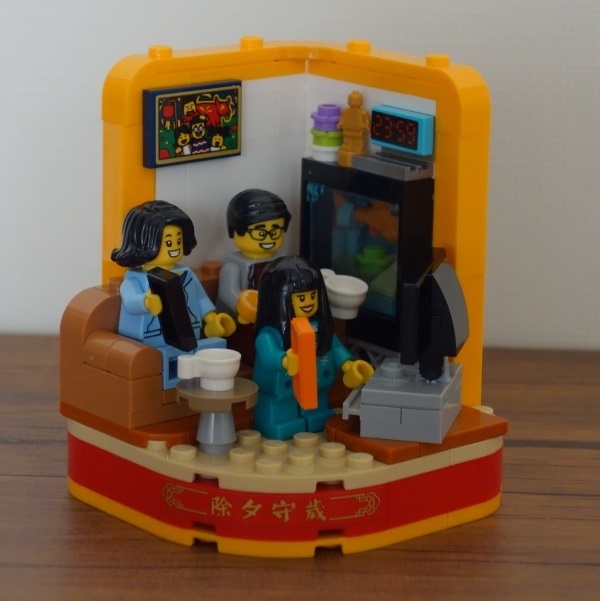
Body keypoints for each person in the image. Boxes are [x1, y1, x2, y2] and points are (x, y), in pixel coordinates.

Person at [111, 200, 235, 389]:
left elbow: (200, 298)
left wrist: (211, 318)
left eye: (178, 240)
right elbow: (130, 301)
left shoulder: (186, 273)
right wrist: (146, 302)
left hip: (189, 338)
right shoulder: (136, 278)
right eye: (168, 242)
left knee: (192, 375)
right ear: (145, 243)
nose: (175, 246)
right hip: (149, 344)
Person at [252, 256, 373, 439]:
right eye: (301, 297)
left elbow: (335, 348)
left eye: (313, 296)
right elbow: (267, 355)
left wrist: (348, 365)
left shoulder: (320, 328)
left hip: (316, 384)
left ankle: (314, 416)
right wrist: (284, 360)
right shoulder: (271, 333)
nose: (308, 302)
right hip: (282, 389)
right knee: (282, 405)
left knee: (318, 401)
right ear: (279, 299)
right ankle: (281, 421)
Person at [217, 189, 291, 363]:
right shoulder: (233, 266)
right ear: (236, 230)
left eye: (275, 231)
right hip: (243, 322)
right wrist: (246, 308)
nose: (268, 238)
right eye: (260, 232)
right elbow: (228, 294)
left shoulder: (282, 262)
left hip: (276, 317)